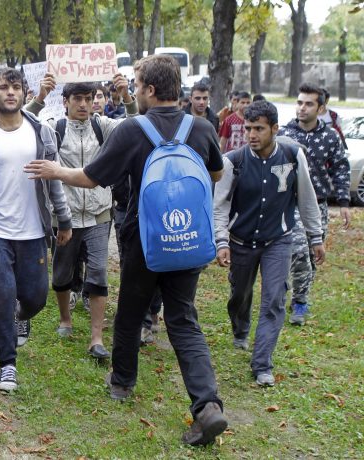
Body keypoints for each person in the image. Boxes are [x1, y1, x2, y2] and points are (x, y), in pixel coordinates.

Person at [24, 54, 227, 446]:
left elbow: (89, 177)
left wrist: (54, 171)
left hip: (144, 240)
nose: (133, 91)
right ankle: (206, 406)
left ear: (150, 90)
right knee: (183, 319)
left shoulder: (133, 130)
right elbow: (215, 173)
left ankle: (121, 382)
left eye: (136, 85)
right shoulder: (200, 128)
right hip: (188, 241)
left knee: (131, 312)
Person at [0, 68, 72, 392]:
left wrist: (63, 220)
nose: (10, 92)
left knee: (36, 297)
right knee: (1, 298)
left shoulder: (42, 133)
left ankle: (22, 314)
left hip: (34, 231)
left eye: (16, 88)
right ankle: (7, 363)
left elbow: (53, 182)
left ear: (25, 93)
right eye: (4, 87)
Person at [25, 75, 137, 359]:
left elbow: (135, 126)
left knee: (98, 273)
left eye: (89, 99)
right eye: (78, 99)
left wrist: (126, 96)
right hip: (65, 217)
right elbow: (23, 121)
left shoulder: (102, 126)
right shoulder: (55, 128)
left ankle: (96, 337)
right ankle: (65, 318)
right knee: (63, 271)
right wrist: (40, 97)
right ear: (65, 102)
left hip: (99, 213)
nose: (85, 105)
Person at [213, 101, 324, 386]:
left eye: (259, 129)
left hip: (278, 240)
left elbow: (307, 199)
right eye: (248, 128)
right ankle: (240, 330)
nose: (252, 134)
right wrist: (221, 240)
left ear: (274, 129)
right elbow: (219, 206)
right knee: (240, 294)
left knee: (274, 298)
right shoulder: (233, 161)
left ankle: (262, 363)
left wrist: (316, 237)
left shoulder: (291, 155)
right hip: (240, 241)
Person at [278, 82, 351, 325]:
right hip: (292, 204)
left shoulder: (331, 137)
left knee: (311, 256)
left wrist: (343, 202)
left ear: (320, 109)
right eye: (299, 102)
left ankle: (301, 296)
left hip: (319, 205)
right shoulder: (284, 135)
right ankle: (297, 302)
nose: (302, 108)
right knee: (298, 251)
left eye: (309, 103)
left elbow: (341, 168)